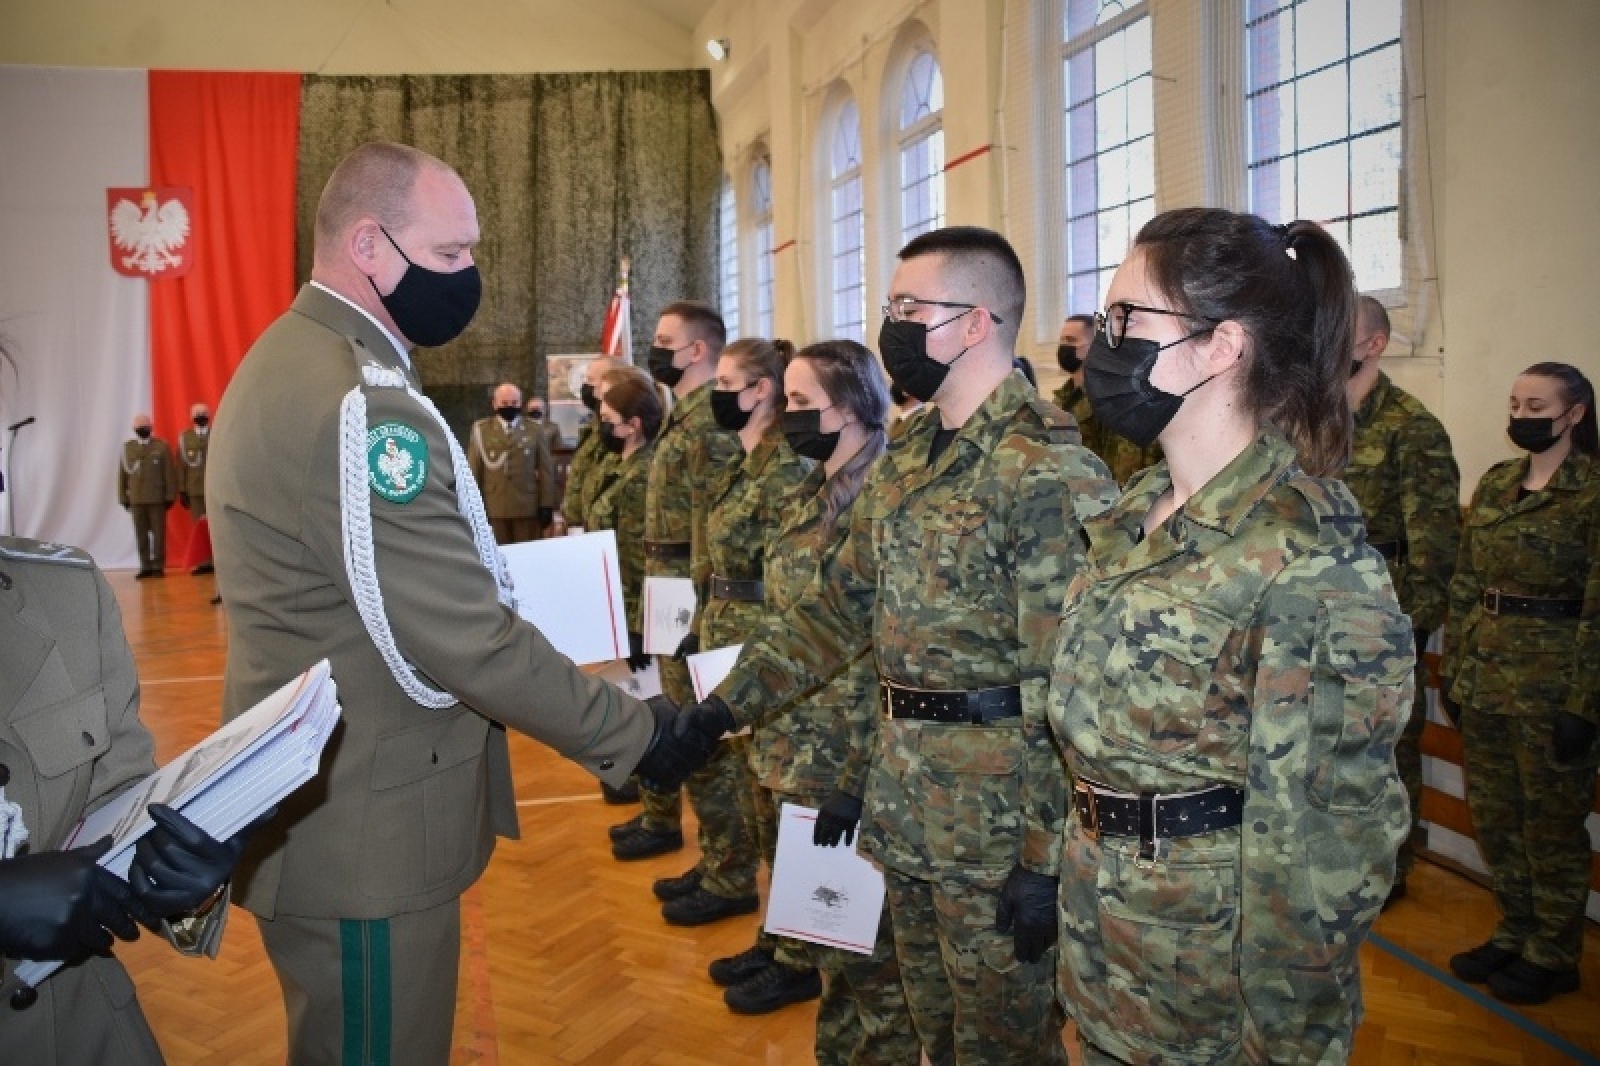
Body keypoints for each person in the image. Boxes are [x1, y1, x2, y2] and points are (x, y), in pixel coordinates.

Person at [205, 140, 697, 1062]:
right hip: (363, 830)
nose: (469, 277)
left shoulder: (306, 359)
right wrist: (639, 737)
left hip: (337, 803)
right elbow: (463, 638)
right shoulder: (360, 403)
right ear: (367, 244)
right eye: (448, 255)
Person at [679, 227, 1117, 1064]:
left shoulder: (1048, 469)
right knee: (933, 1034)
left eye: (913, 309)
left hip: (992, 836)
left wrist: (1041, 855)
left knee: (1004, 1047)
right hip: (906, 805)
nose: (895, 326)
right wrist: (723, 709)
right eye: (891, 308)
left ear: (978, 322)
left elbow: (1065, 684)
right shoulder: (910, 454)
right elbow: (836, 612)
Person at [1048, 209, 1413, 1063]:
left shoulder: (1305, 559)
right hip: (1103, 941)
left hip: (1213, 988)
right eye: (1106, 322)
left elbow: (1325, 848)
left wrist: (1285, 1041)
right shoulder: (1126, 518)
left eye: (1130, 321)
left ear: (1222, 347)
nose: (1107, 344)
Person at [713, 337, 922, 1057]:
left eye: (802, 404)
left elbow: (885, 653)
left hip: (846, 758)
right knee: (828, 945)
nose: (787, 417)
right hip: (795, 741)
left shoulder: (884, 500)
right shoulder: (813, 490)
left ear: (855, 406)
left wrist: (858, 776)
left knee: (869, 960)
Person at [1442, 362, 1599, 1005]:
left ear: (1575, 414)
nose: (1522, 414)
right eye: (1515, 402)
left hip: (1553, 685)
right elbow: (1465, 585)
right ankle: (1515, 931)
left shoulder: (1591, 492)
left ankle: (1555, 953)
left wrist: (1584, 703)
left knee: (1552, 824)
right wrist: (1454, 667)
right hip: (1486, 676)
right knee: (1498, 817)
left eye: (1537, 404)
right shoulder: (1500, 481)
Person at [689, 336, 815, 978]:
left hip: (765, 643)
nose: (717, 396)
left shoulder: (788, 465)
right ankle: (775, 931)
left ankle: (796, 949)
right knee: (753, 794)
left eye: (727, 382)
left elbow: (793, 575)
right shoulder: (745, 462)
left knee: (778, 796)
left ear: (760, 390)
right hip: (727, 632)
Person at [611, 302, 741, 869]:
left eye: (666, 340)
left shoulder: (710, 423)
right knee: (670, 707)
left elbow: (713, 522)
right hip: (666, 582)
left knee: (700, 727)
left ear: (697, 351)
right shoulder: (683, 417)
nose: (654, 348)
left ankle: (726, 870)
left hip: (690, 586)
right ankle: (711, 859)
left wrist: (696, 608)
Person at [1344, 293, 1460, 905]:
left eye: (1344, 329)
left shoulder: (1410, 427)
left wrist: (1408, 629)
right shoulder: (1310, 418)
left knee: (1386, 747)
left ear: (1374, 344)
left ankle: (1391, 866)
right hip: (1315, 610)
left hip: (1381, 612)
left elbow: (1434, 542)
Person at [586, 366, 661, 669]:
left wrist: (635, 626)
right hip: (612, 602)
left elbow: (636, 558)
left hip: (628, 610)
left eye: (607, 421)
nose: (601, 427)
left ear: (633, 426)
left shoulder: (640, 476)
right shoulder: (621, 467)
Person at [467, 382, 556, 543]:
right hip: (494, 507)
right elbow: (474, 470)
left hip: (527, 507)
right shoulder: (481, 430)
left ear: (521, 403)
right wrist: (473, 506)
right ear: (494, 404)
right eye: (504, 403)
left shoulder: (534, 430)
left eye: (514, 403)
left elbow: (546, 470)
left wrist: (547, 504)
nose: (510, 407)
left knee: (528, 555)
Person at [560, 354, 623, 532]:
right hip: (582, 526)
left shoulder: (616, 431)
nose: (587, 388)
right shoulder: (594, 428)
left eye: (591, 381)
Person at [117, 414, 176, 579]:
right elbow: (122, 475)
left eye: (145, 425)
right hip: (136, 499)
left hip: (156, 498)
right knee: (140, 534)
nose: (142, 429)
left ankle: (158, 565)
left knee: (158, 535)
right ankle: (145, 566)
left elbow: (169, 473)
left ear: (151, 426)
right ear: (134, 429)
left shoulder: (161, 447)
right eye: (139, 427)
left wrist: (170, 495)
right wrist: (123, 497)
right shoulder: (127, 448)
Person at [178, 403, 214, 575]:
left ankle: (217, 561)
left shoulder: (217, 433)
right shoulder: (185, 439)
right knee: (198, 529)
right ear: (192, 418)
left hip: (214, 489)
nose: (201, 416)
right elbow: (181, 465)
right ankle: (203, 563)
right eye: (198, 414)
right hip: (195, 490)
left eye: (204, 413)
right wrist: (182, 489)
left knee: (216, 527)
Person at [1051, 314, 1097, 449]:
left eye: (1071, 340)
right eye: (1062, 340)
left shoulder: (1103, 401)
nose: (1064, 346)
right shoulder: (1061, 397)